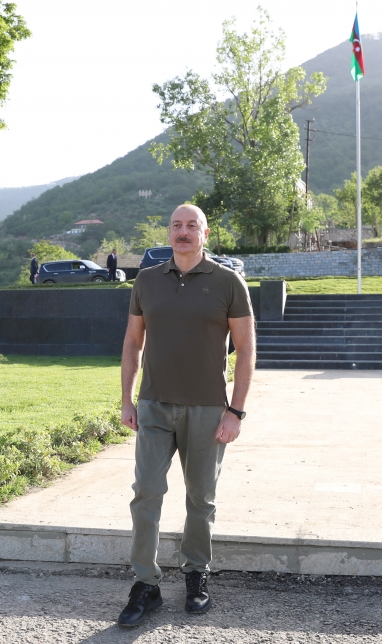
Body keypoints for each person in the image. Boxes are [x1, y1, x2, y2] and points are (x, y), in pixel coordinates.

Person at [116, 204, 256, 627]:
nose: (183, 232)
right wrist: (127, 399)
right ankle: (146, 584)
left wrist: (235, 411)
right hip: (154, 405)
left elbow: (246, 349)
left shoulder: (229, 282)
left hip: (208, 409)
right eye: (176, 225)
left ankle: (196, 575)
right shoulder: (146, 280)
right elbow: (133, 342)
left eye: (192, 226)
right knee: (146, 492)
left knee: (200, 498)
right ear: (168, 232)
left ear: (205, 234)